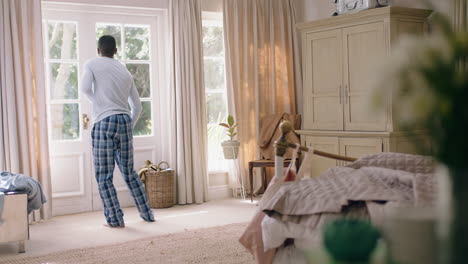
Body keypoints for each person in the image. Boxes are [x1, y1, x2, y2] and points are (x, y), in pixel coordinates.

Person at [80, 35, 154, 228]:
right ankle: (147, 214)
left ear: (98, 50)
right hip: (123, 121)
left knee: (104, 176)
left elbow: (84, 88)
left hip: (104, 122)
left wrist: (99, 104)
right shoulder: (124, 71)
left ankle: (115, 220)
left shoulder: (92, 63)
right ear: (115, 51)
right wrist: (128, 126)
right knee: (129, 172)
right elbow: (137, 107)